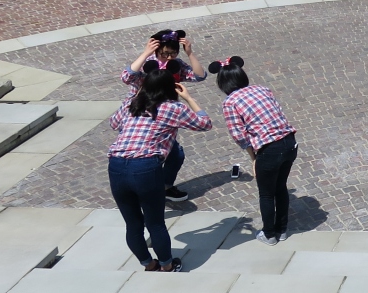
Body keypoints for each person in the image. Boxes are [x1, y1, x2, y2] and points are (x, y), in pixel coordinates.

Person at [108, 65, 211, 271]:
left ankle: (148, 264)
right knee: (155, 223)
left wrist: (136, 95)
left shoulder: (131, 103)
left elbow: (113, 123)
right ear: (171, 88)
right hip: (145, 167)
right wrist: (189, 98)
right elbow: (205, 123)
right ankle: (166, 265)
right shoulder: (174, 108)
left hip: (116, 165)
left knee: (133, 224)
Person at [210, 56, 297, 245]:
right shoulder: (263, 89)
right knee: (280, 187)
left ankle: (269, 234)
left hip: (269, 150)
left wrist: (254, 159)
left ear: (222, 83)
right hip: (290, 143)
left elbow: (239, 135)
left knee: (266, 194)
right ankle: (282, 230)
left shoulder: (230, 102)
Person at [121, 30, 208, 203]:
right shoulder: (147, 64)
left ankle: (164, 187)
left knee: (175, 155)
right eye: (164, 54)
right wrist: (146, 53)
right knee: (148, 156)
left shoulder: (176, 65)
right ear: (156, 50)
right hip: (141, 113)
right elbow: (126, 77)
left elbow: (199, 76)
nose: (168, 58)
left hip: (165, 114)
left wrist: (189, 53)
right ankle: (145, 191)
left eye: (173, 53)